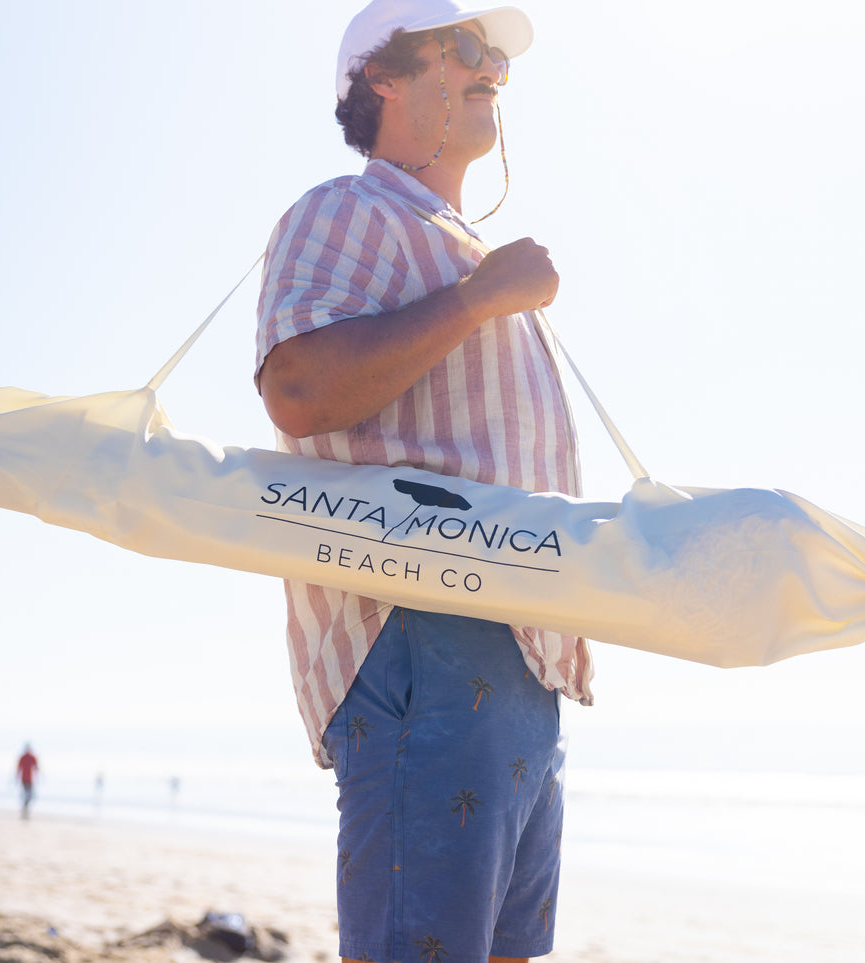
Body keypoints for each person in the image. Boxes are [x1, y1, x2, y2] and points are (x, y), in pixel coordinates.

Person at [255, 3, 593, 960]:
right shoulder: (346, 208)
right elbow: (298, 388)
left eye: (499, 59)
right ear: (383, 77)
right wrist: (479, 298)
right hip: (418, 631)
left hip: (520, 656)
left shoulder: (460, 244)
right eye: (467, 48)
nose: (493, 71)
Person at [14, 743, 39, 819]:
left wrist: (38, 776)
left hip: (30, 779)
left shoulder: (32, 757)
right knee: (27, 795)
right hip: (24, 779)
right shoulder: (23, 757)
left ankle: (25, 808)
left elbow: (36, 767)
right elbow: (19, 768)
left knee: (30, 795)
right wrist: (17, 778)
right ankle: (24, 809)